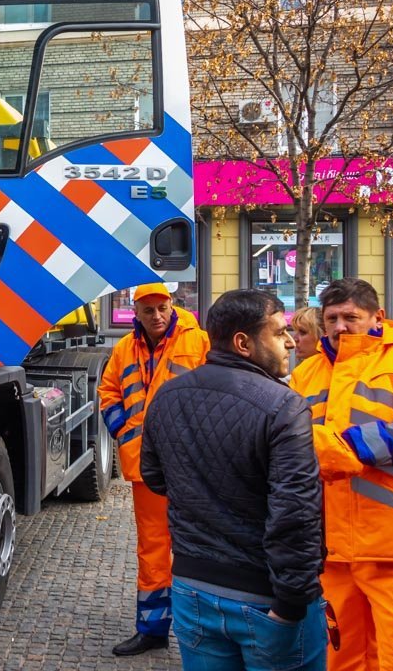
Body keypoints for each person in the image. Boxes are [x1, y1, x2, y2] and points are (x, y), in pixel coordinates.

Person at [142, 289, 326, 670]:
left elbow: (155, 477)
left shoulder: (166, 396)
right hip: (266, 597)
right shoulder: (284, 406)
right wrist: (292, 603)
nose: (290, 342)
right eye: (278, 333)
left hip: (193, 588)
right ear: (243, 342)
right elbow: (296, 512)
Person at [290, 278, 393, 671]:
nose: (340, 327)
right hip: (331, 549)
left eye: (351, 317)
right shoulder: (307, 372)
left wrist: (343, 448)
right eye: (331, 318)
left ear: (378, 317)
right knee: (341, 656)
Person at [98, 282, 211, 656]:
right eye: (149, 310)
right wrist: (125, 432)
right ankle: (153, 629)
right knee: (153, 549)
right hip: (147, 467)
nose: (157, 316)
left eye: (162, 307)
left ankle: (206, 631)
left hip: (194, 465)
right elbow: (108, 392)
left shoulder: (199, 342)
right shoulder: (123, 349)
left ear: (173, 304)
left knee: (202, 546)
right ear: (136, 312)